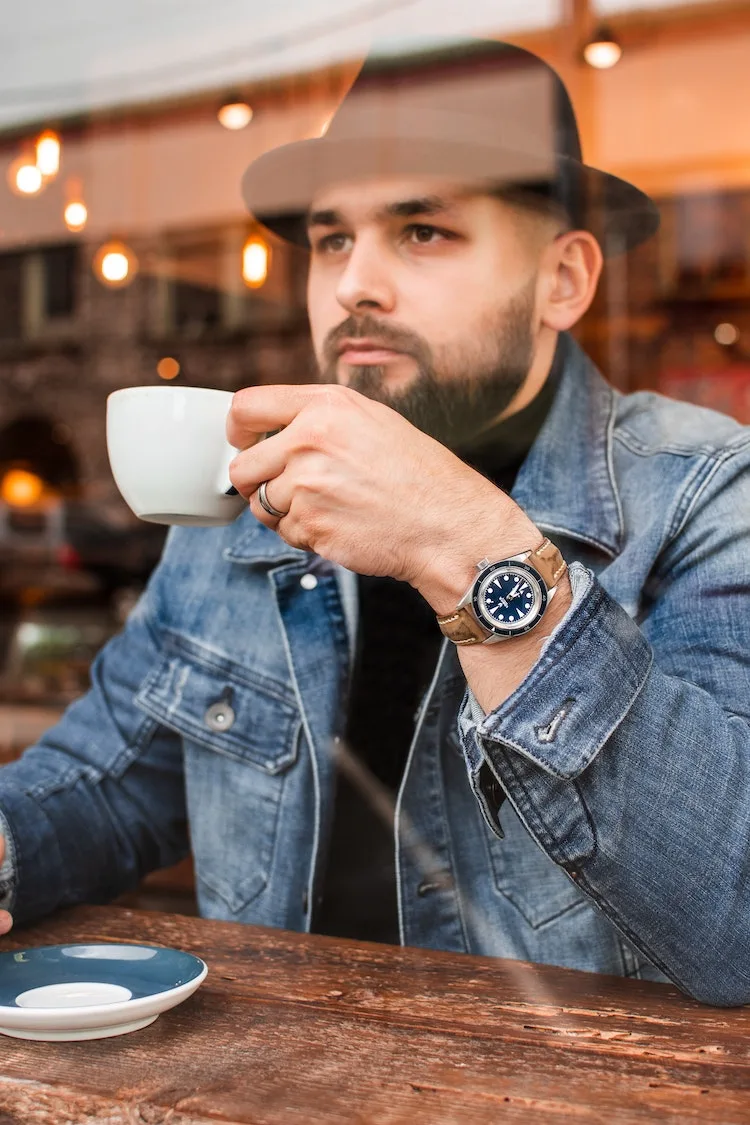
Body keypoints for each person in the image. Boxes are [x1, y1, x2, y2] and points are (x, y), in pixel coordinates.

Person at [1, 39, 749, 1007]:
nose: (355, 283)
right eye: (332, 240)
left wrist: (467, 550)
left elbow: (734, 914)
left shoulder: (701, 492)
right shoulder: (247, 502)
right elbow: (112, 780)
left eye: (422, 231)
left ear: (563, 280)